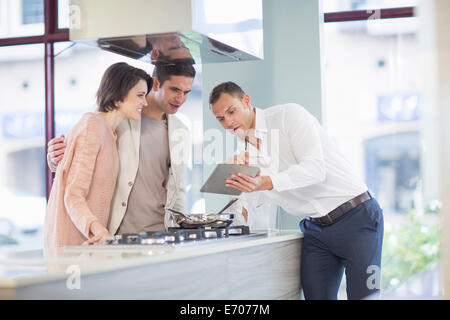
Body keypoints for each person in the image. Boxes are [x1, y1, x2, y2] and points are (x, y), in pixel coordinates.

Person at [209, 81, 384, 300]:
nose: (228, 122)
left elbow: (315, 169)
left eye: (231, 111)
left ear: (246, 101)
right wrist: (235, 186)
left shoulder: (288, 116)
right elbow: (246, 212)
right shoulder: (243, 153)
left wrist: (266, 182)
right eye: (221, 119)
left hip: (357, 217)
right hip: (317, 230)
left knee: (365, 298)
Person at [47, 62, 196, 235]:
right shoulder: (119, 114)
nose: (181, 99)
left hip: (159, 231)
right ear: (155, 84)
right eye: (175, 90)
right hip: (114, 230)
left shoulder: (180, 130)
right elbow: (79, 156)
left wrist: (182, 230)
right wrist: (55, 158)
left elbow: (179, 187)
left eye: (186, 93)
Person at [44, 62, 151, 253]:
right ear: (118, 97)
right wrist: (98, 229)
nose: (145, 103)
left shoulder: (109, 133)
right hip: (73, 242)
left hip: (89, 242)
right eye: (140, 96)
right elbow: (73, 194)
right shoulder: (92, 127)